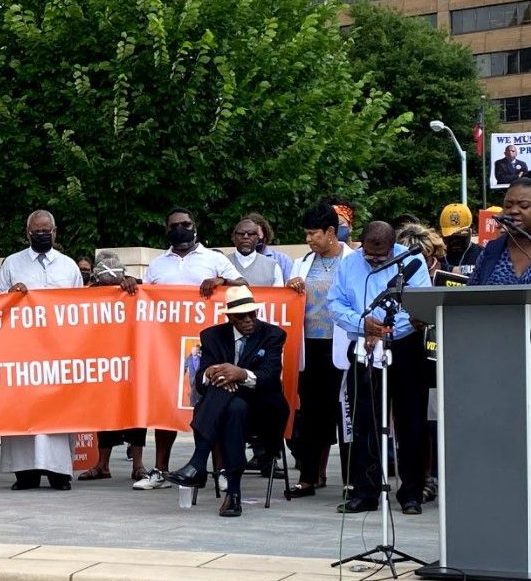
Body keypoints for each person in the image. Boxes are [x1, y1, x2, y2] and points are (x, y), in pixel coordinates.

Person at [136, 208, 245, 492]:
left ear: (195, 226)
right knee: (165, 407)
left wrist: (222, 281)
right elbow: (144, 297)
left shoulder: (215, 259)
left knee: (212, 406)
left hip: (208, 346)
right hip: (166, 346)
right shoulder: (158, 264)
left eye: (186, 224)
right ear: (167, 230)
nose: (181, 228)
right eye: (175, 225)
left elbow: (243, 287)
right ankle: (160, 470)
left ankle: (220, 470)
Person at [327, 221, 432, 515]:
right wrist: (363, 324)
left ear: (392, 246)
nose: (374, 259)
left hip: (404, 346)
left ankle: (411, 494)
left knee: (411, 422)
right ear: (361, 243)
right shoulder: (348, 265)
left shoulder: (411, 259)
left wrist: (383, 329)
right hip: (364, 346)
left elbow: (418, 306)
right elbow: (335, 303)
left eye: (382, 255)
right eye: (370, 254)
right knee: (365, 422)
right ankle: (365, 492)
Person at [164, 286, 289, 518]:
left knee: (232, 400)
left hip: (263, 410)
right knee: (233, 406)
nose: (249, 320)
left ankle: (198, 463)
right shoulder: (212, 336)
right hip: (229, 412)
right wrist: (211, 372)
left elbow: (270, 378)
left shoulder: (272, 335)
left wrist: (240, 374)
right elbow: (200, 384)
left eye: (252, 313)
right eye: (242, 316)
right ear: (230, 317)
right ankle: (233, 494)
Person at [0, 210, 85, 491]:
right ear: (28, 233)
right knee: (23, 410)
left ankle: (59, 472)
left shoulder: (69, 266)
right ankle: (25, 473)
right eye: (37, 231)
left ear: (55, 232)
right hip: (23, 350)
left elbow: (81, 307)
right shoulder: (12, 263)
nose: (42, 234)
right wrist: (11, 294)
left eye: (47, 230)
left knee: (58, 411)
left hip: (59, 350)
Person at [284, 202, 352, 497]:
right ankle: (309, 477)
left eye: (314, 234)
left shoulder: (353, 261)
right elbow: (286, 300)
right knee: (310, 414)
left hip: (344, 347)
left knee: (346, 413)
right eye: (306, 234)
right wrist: (291, 287)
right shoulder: (301, 264)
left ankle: (352, 478)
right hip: (309, 346)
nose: (309, 239)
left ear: (330, 232)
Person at [76, 253, 147, 482]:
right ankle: (102, 465)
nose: (111, 289)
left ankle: (138, 466)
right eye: (105, 286)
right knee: (105, 411)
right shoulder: (87, 293)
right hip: (103, 361)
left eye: (114, 285)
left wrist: (133, 285)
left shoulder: (137, 290)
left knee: (136, 411)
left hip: (133, 359)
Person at [468, 178, 531, 286]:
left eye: (524, 205)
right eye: (508, 205)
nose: (513, 211)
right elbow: (470, 296)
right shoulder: (491, 250)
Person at [227, 217, 284, 287]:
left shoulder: (273, 266)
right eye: (241, 233)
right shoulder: (222, 263)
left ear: (257, 239)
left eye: (251, 234)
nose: (245, 237)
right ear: (233, 238)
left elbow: (279, 296)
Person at [244, 212, 294, 281]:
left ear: (265, 235)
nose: (251, 238)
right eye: (248, 234)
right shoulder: (233, 263)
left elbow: (291, 288)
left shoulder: (283, 260)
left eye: (255, 233)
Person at [439, 203, 481, 276]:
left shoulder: (482, 255)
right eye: (450, 236)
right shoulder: (437, 257)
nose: (455, 240)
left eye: (460, 236)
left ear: (471, 229)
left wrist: (449, 269)